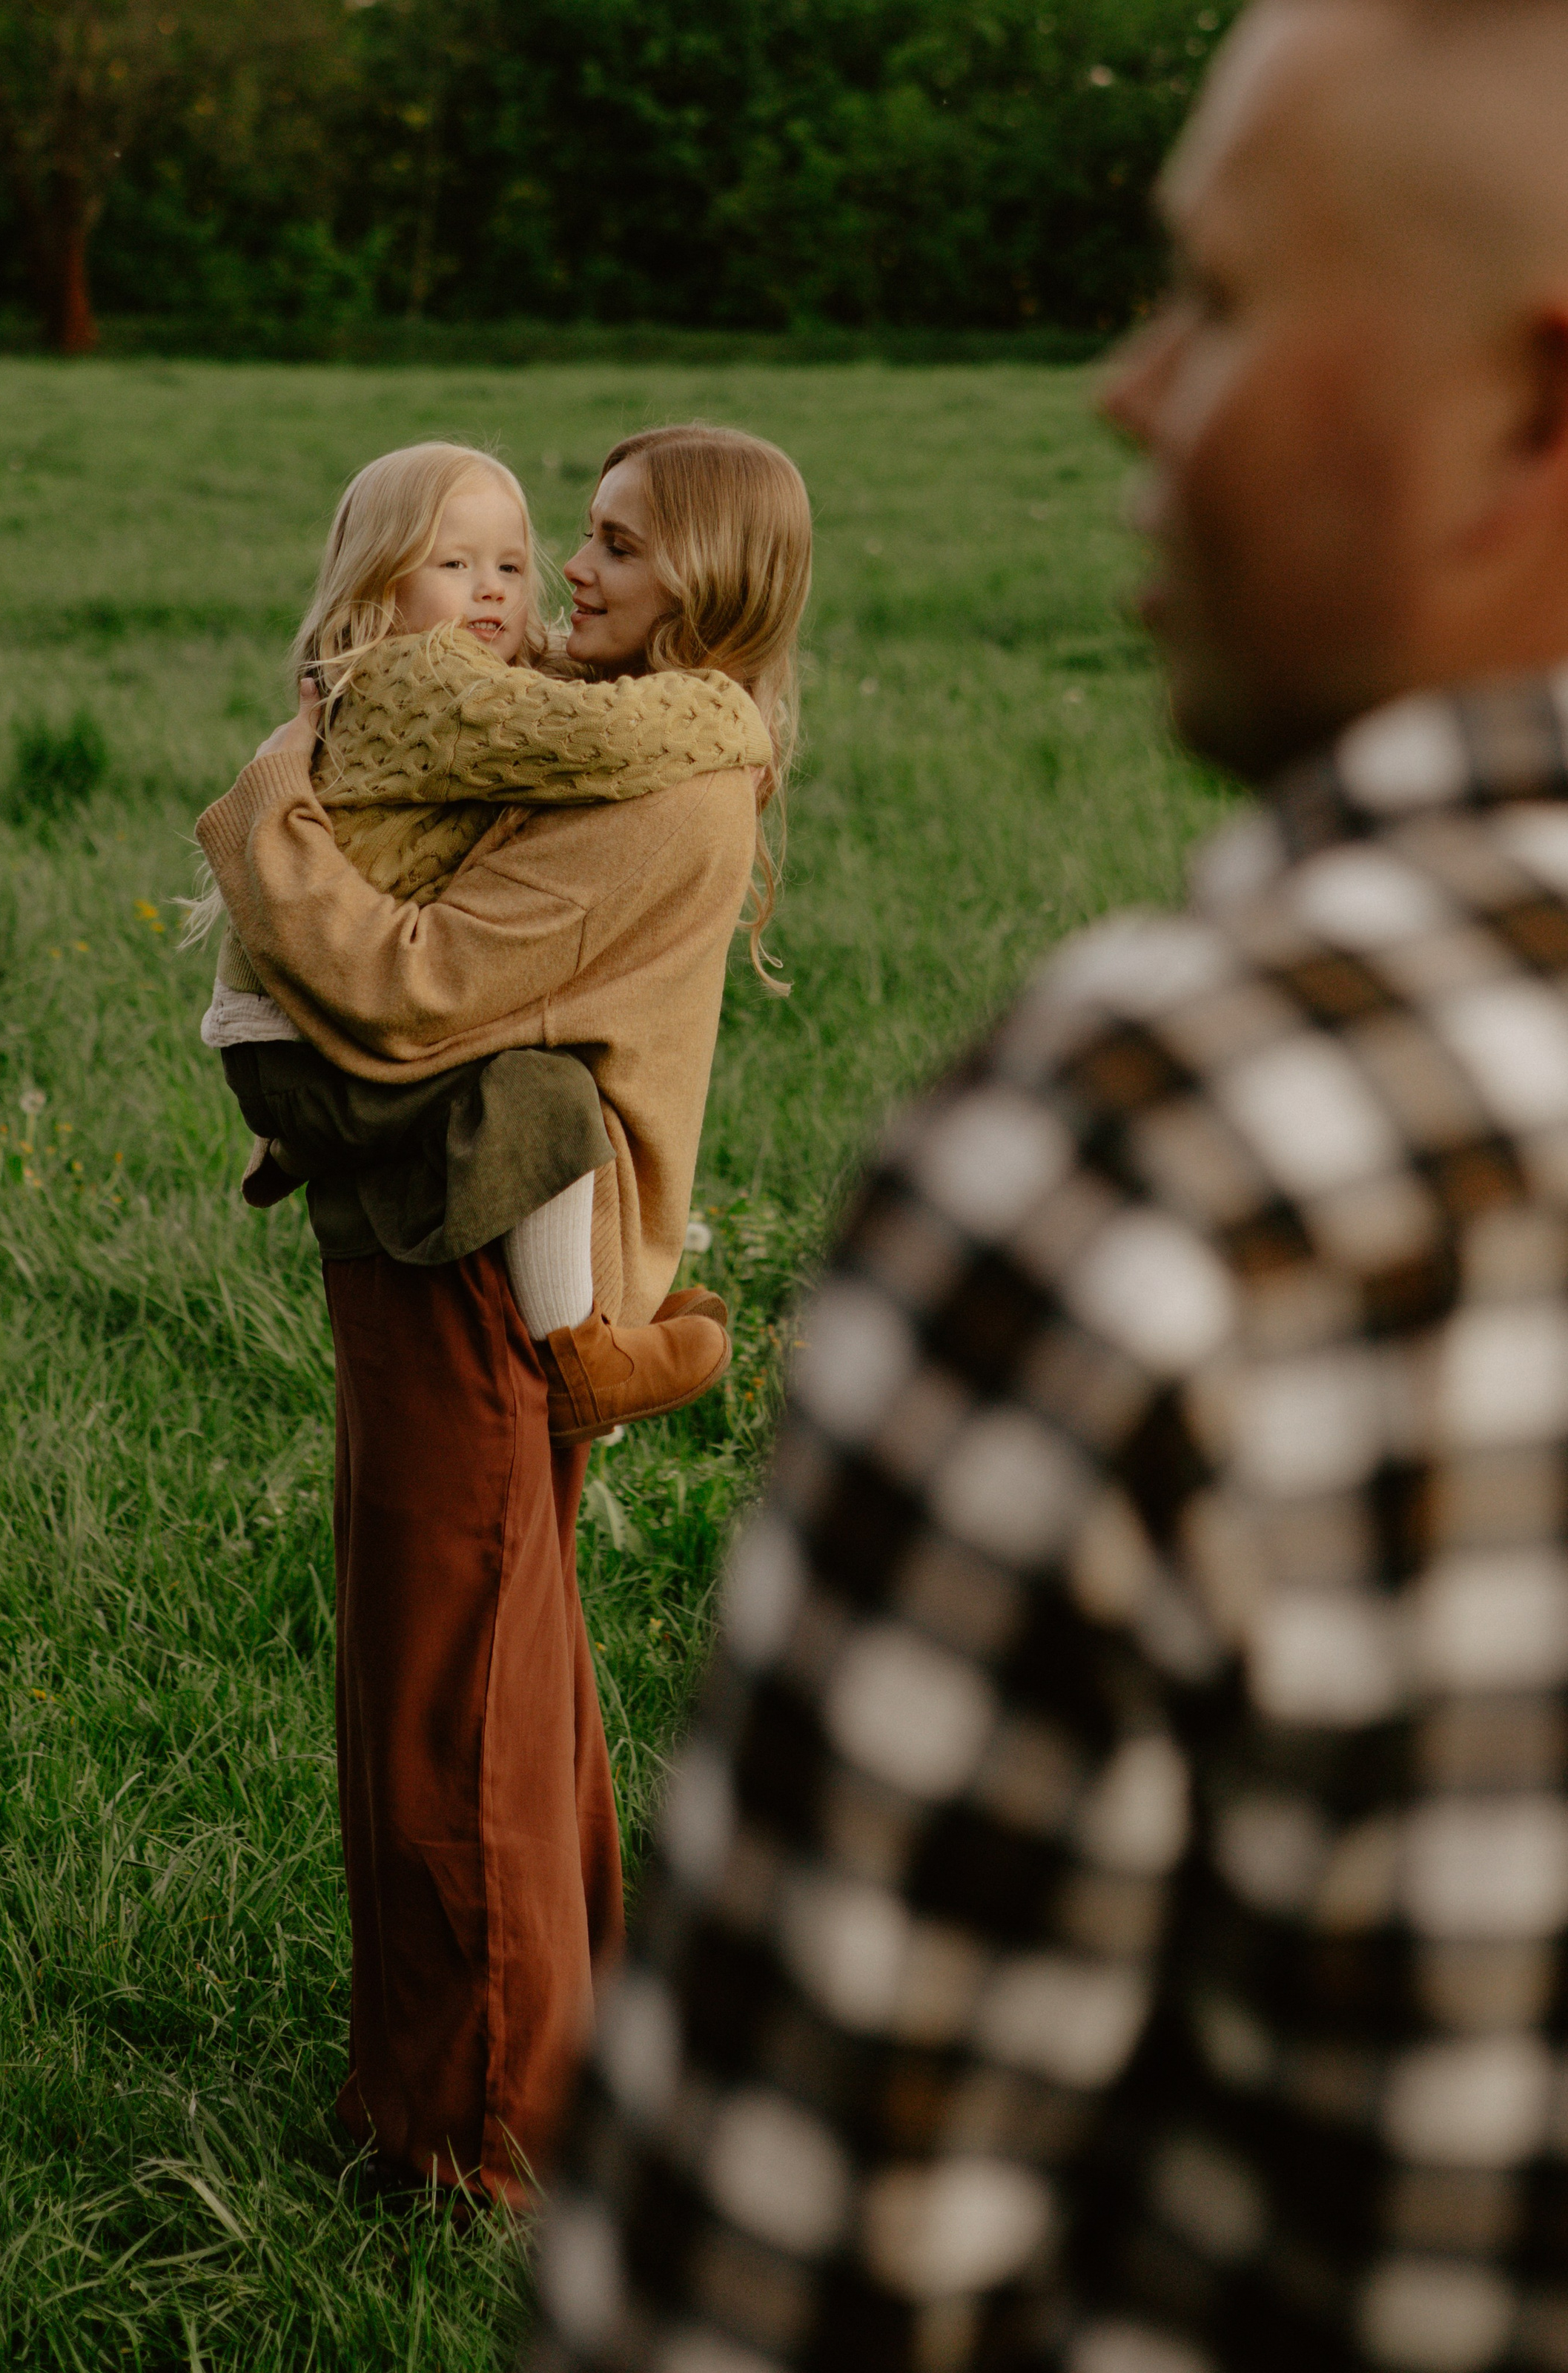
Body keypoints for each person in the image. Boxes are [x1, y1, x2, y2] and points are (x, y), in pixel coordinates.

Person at [525, 3, 1568, 2367]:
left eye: (1216, 301)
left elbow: (745, 2297)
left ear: (1530, 406)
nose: (1125, 387)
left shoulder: (1170, 1159)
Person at [195, 425, 813, 2208]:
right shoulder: (600, 733)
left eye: (613, 548)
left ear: (703, 578)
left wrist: (268, 814)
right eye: (574, 543)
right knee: (495, 1671)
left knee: (449, 1690)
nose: (570, 581)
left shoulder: (663, 786)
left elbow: (411, 994)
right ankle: (509, 2065)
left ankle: (477, 2136)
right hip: (466, 1227)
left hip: (476, 1249)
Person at [191, 438, 767, 1439]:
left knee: (534, 1092)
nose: (500, 590)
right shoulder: (426, 676)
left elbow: (542, 695)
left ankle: (586, 1337)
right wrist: (732, 715)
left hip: (295, 1024)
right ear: (380, 581)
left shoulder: (462, 675)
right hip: (297, 1034)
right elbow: (581, 735)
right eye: (454, 565)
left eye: (511, 564)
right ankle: (580, 1359)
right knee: (540, 1097)